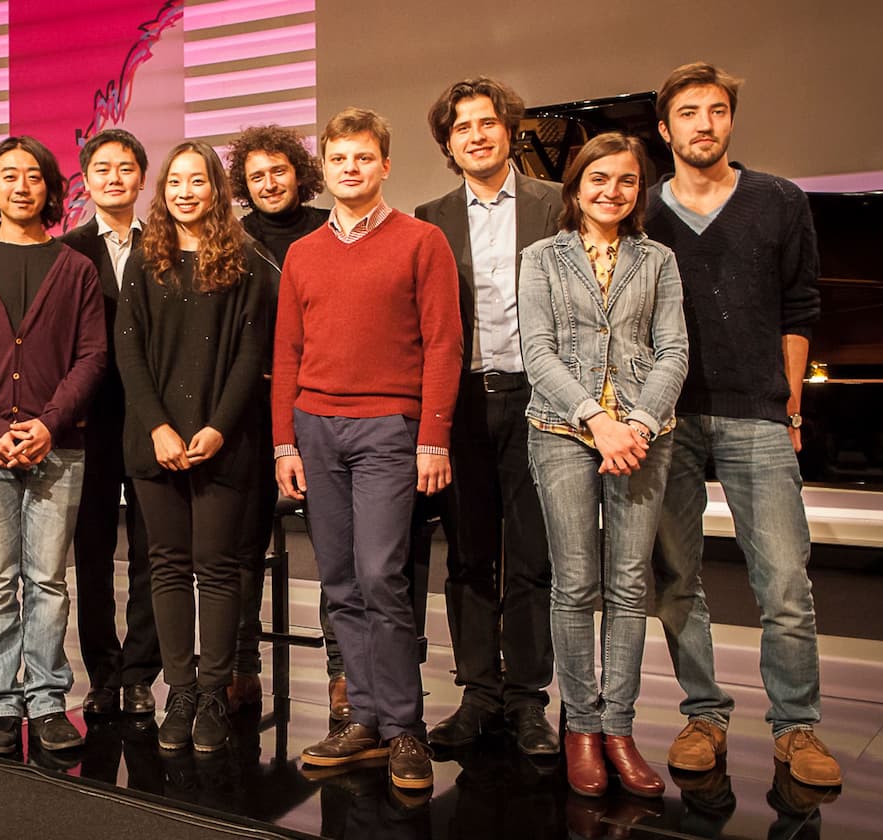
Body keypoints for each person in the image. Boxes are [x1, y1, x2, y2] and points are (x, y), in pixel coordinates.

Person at [645, 62, 839, 788]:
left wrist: (790, 404)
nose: (704, 124)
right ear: (664, 130)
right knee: (677, 578)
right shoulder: (645, 211)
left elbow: (800, 308)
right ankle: (703, 714)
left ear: (730, 119)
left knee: (785, 581)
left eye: (717, 110)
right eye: (688, 113)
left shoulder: (778, 200)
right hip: (668, 417)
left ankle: (798, 728)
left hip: (757, 412)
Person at [274, 108, 460, 792]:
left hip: (388, 428)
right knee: (339, 581)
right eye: (339, 158)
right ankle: (367, 720)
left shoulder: (422, 241)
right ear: (324, 168)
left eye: (363, 157)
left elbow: (444, 344)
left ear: (384, 165)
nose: (349, 168)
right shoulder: (302, 253)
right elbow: (287, 352)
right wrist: (282, 444)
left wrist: (432, 436)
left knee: (383, 574)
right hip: (316, 427)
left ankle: (404, 728)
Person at [517, 132, 688, 798]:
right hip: (562, 428)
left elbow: (673, 351)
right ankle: (581, 729)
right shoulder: (541, 257)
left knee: (627, 587)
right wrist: (597, 420)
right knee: (575, 584)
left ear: (638, 191)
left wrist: (637, 425)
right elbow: (539, 353)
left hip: (646, 434)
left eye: (625, 180)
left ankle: (619, 728)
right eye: (598, 178)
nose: (611, 190)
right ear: (576, 186)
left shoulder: (659, 260)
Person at [0, 135, 107, 755]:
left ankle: (50, 700)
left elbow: (92, 357)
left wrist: (48, 424)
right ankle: (1, 705)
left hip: (59, 447)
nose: (22, 186)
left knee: (49, 579)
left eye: (33, 175)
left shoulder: (77, 268)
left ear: (50, 188)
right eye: (9, 175)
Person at [414, 78, 562, 756]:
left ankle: (529, 699)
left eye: (486, 122)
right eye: (462, 127)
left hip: (541, 401)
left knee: (532, 558)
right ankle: (477, 692)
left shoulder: (555, 205)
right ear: (448, 143)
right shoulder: (429, 218)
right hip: (465, 404)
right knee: (469, 557)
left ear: (508, 129)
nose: (476, 134)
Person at [113, 141, 276, 751]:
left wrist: (218, 427)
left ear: (216, 190)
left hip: (221, 442)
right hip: (154, 441)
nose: (184, 191)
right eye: (175, 181)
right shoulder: (143, 261)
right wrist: (157, 426)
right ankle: (178, 694)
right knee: (168, 566)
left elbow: (250, 356)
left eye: (197, 181)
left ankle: (213, 692)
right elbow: (128, 351)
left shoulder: (247, 262)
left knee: (219, 568)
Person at [224, 124, 349, 719]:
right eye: (256, 176)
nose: (270, 183)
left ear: (300, 171)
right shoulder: (232, 238)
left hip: (324, 405)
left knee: (337, 550)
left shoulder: (333, 227)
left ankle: (343, 675)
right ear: (243, 185)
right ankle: (242, 666)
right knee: (242, 545)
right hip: (250, 412)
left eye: (279, 171)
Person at [59, 128, 161, 717]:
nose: (115, 177)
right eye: (102, 168)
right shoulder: (68, 251)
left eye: (126, 167)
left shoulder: (169, 245)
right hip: (89, 421)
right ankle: (103, 671)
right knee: (91, 550)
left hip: (151, 421)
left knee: (153, 549)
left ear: (143, 179)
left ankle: (142, 671)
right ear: (87, 180)